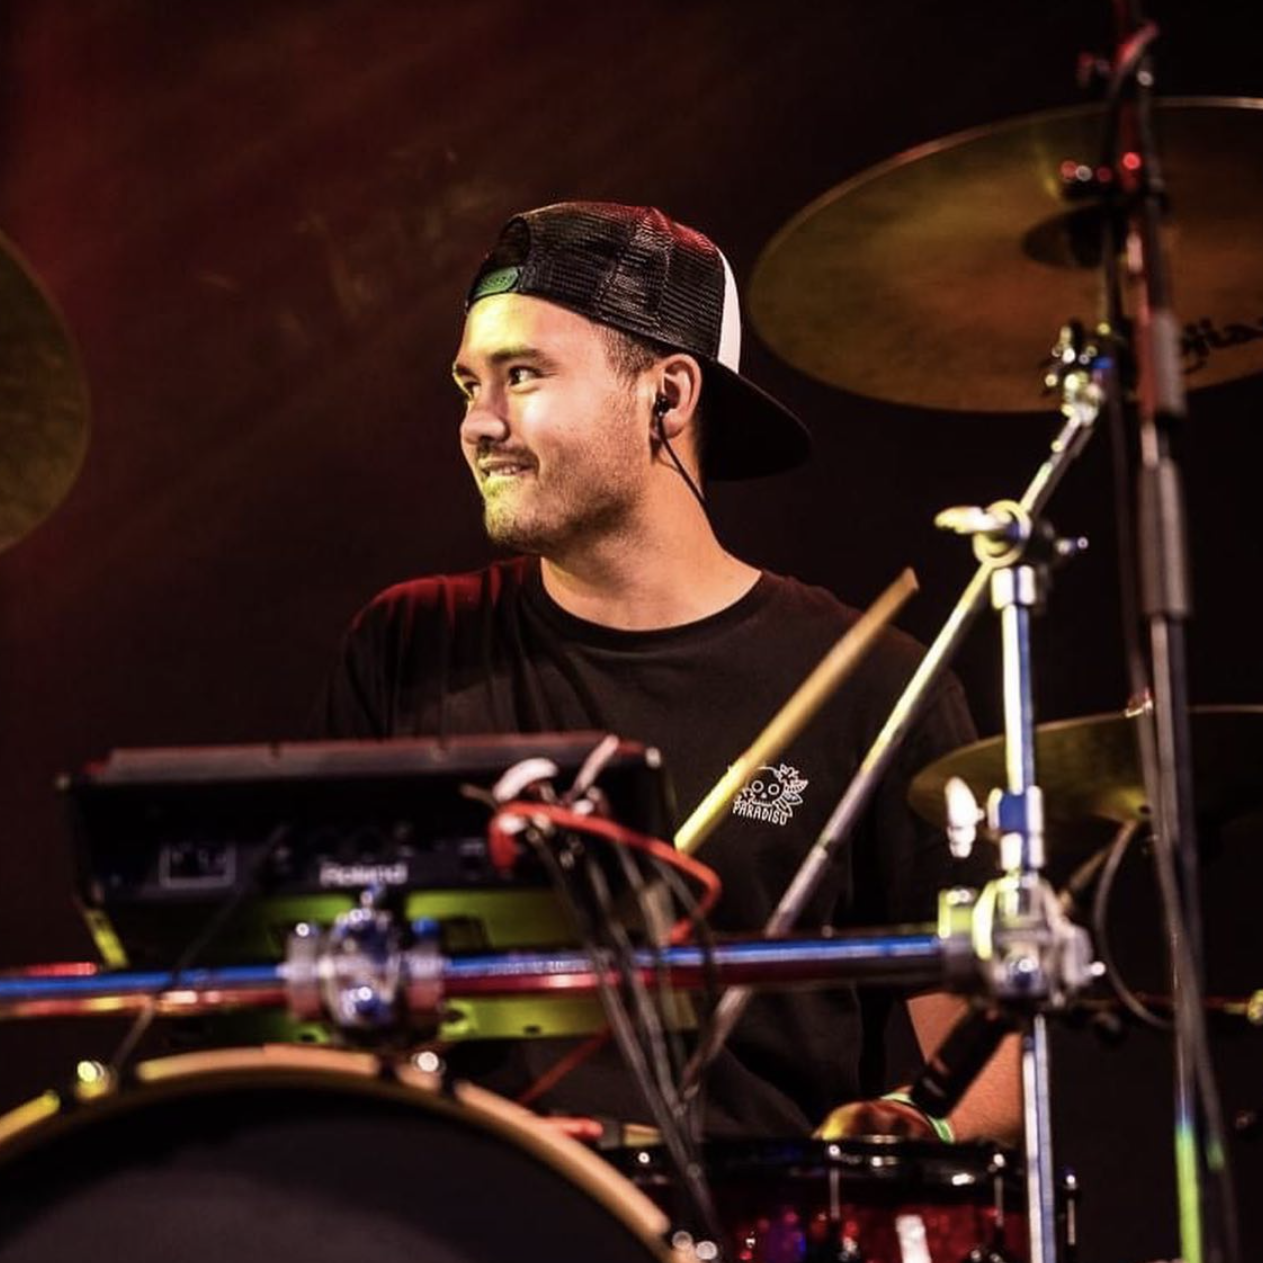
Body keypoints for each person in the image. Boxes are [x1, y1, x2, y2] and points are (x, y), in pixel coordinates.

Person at [316, 200, 1020, 1144]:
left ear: (670, 394)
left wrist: (903, 1126)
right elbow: (315, 988)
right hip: (468, 1213)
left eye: (521, 375)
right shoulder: (409, 645)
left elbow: (995, 1066)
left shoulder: (871, 682)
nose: (478, 425)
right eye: (466, 385)